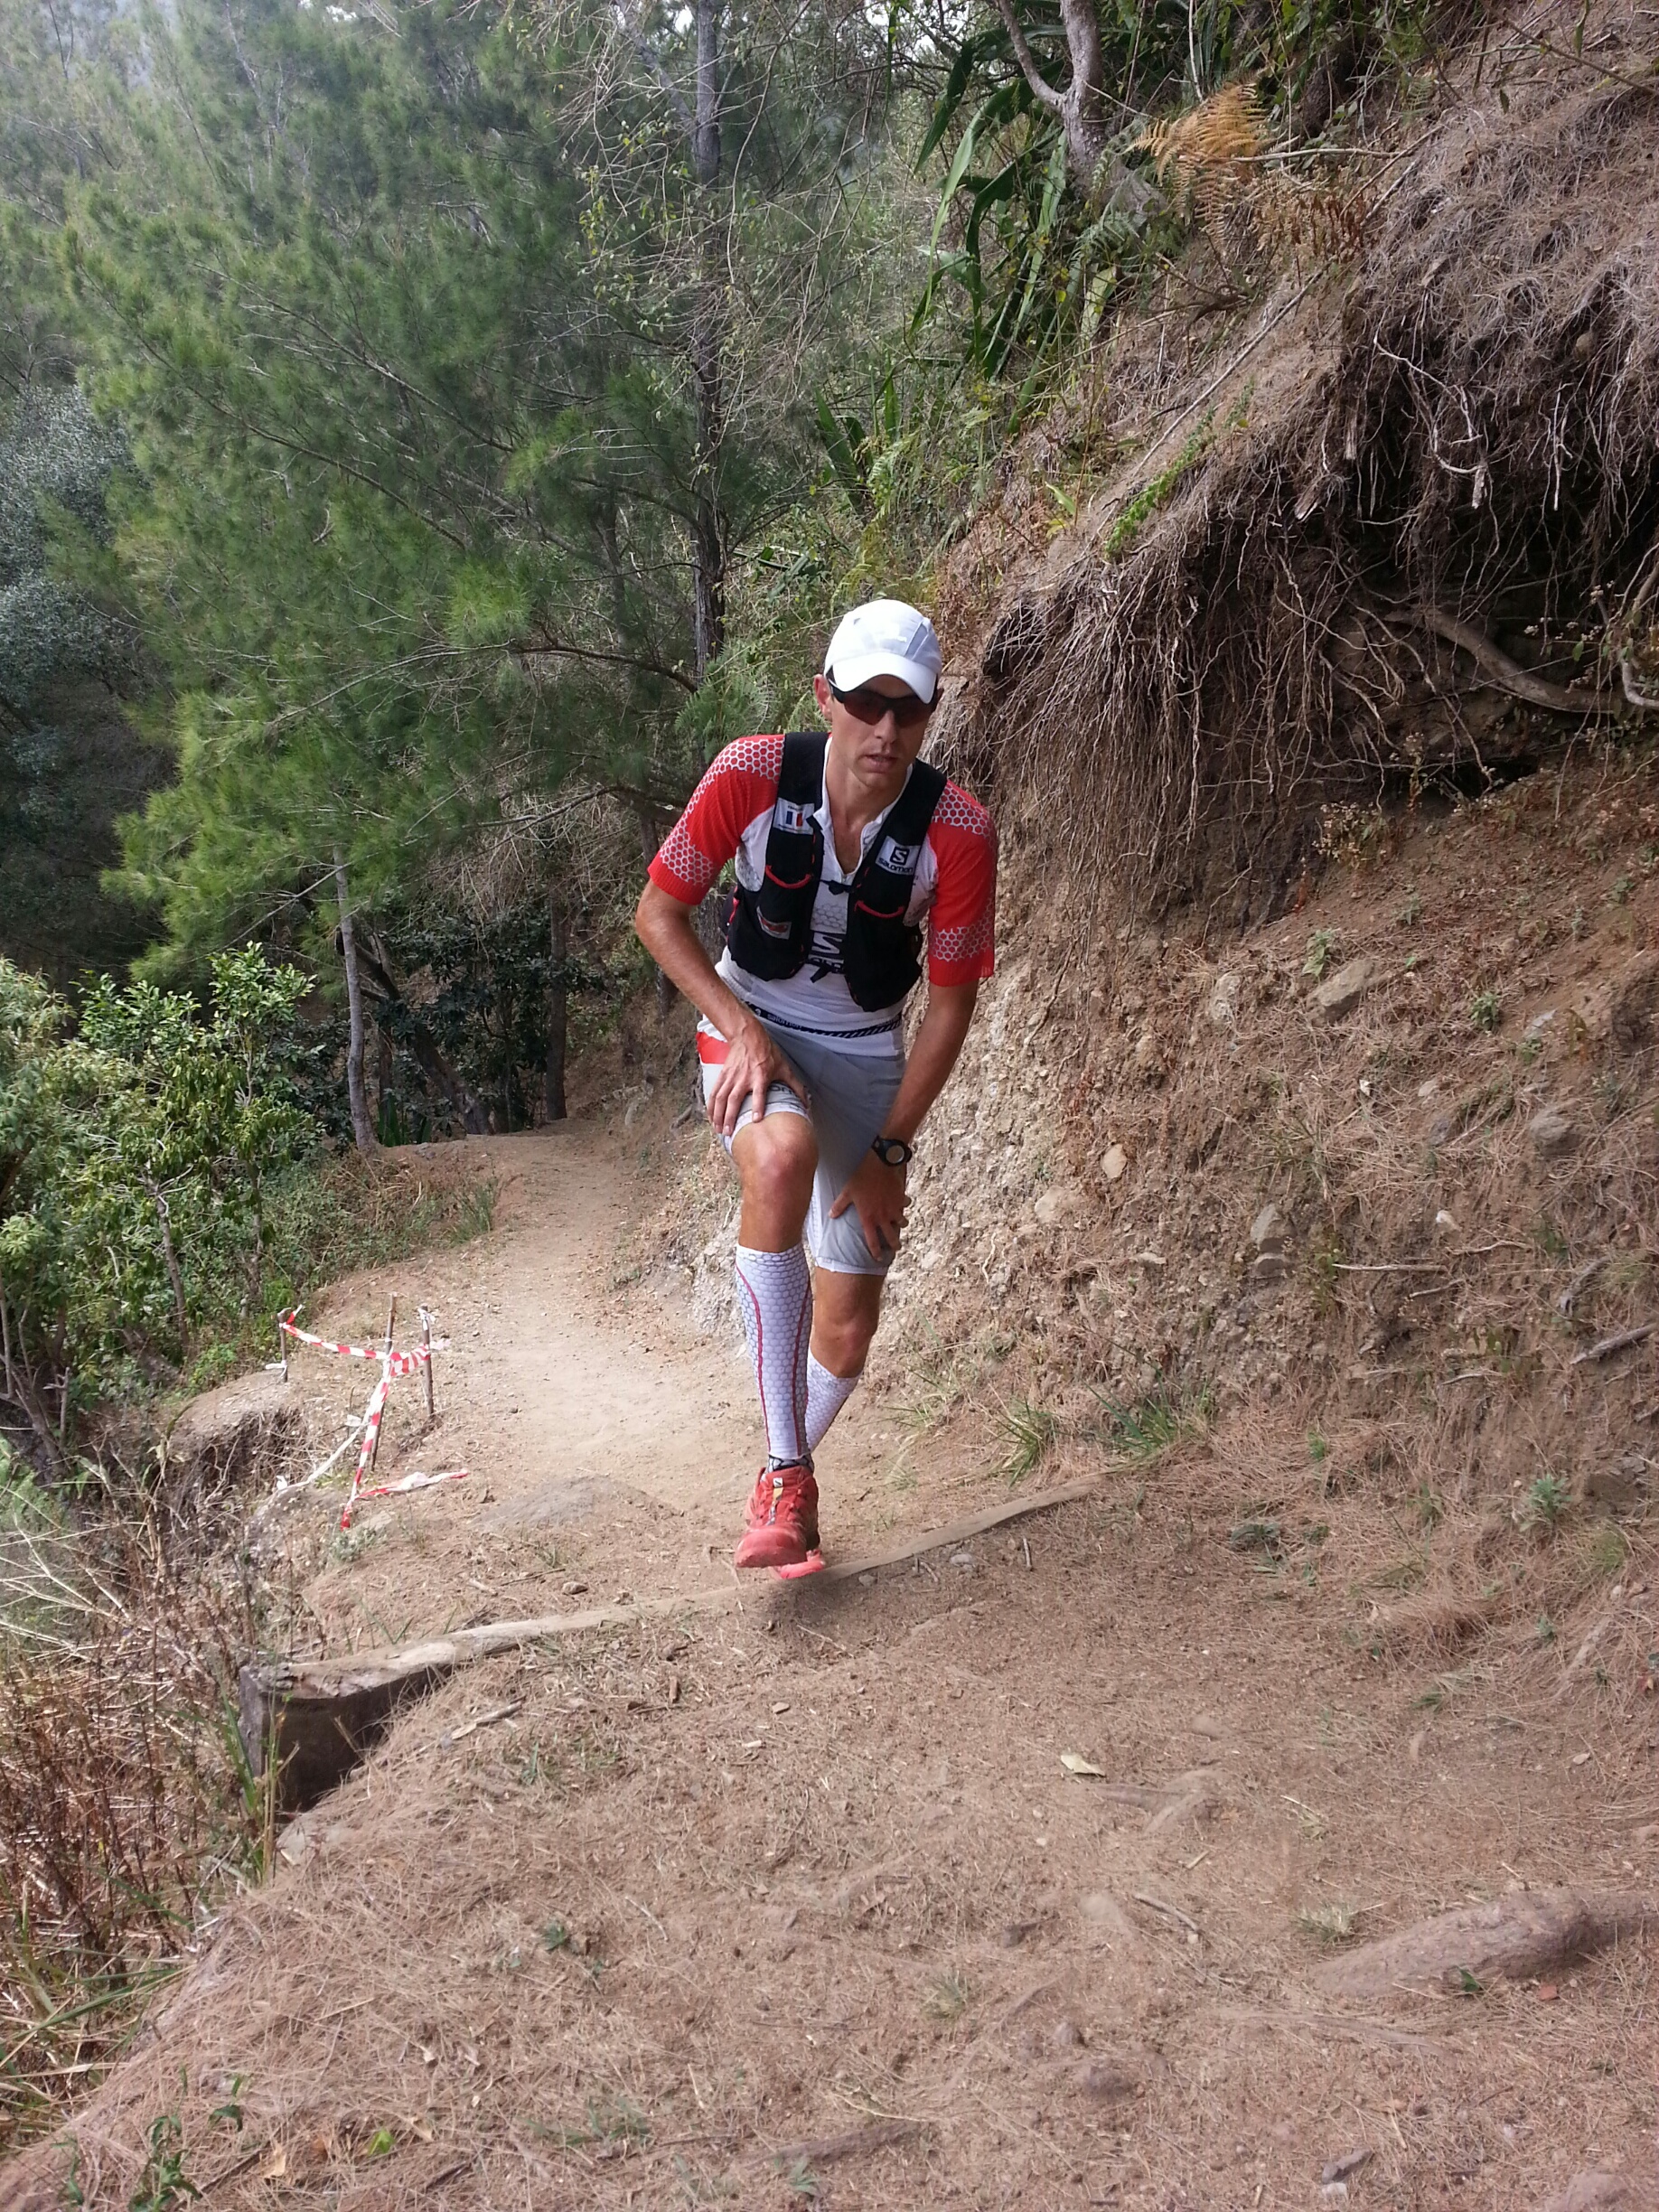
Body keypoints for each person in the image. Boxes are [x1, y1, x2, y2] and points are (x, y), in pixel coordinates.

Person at [634, 599, 998, 1571]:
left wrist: (890, 1150)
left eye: (907, 710)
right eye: (864, 702)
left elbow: (952, 1009)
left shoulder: (957, 833)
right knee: (781, 1156)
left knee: (847, 1332)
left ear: (928, 714)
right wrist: (741, 1029)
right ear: (823, 697)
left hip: (869, 1055)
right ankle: (787, 1477)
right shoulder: (753, 773)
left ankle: (777, 1474)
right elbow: (659, 914)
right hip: (749, 1022)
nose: (885, 730)